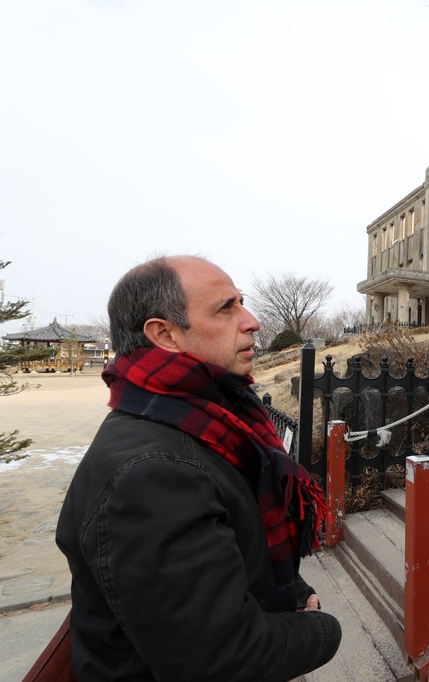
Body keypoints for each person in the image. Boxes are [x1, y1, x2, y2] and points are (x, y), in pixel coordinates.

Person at [56, 256, 342, 682]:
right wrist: (324, 631)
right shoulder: (151, 475)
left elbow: (230, 542)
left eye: (242, 303)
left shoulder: (206, 424)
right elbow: (224, 659)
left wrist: (290, 591)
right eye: (226, 308)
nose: (252, 321)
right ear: (164, 334)